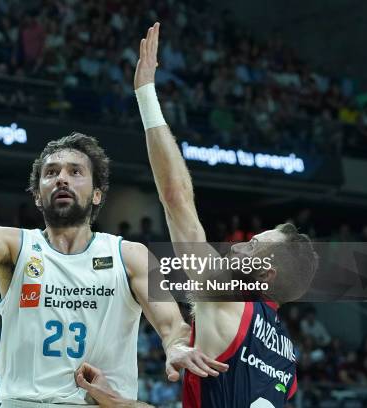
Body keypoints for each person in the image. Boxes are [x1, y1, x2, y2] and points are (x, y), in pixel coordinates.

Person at [0, 109, 225, 405]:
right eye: (51, 173)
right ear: (38, 195)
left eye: (75, 172)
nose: (62, 179)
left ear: (97, 194)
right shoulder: (13, 246)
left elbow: (171, 325)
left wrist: (176, 347)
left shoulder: (130, 255)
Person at [77, 22, 318, 408]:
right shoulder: (286, 357)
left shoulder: (226, 298)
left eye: (256, 244)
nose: (242, 243)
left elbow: (176, 200)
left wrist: (145, 94)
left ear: (266, 275)